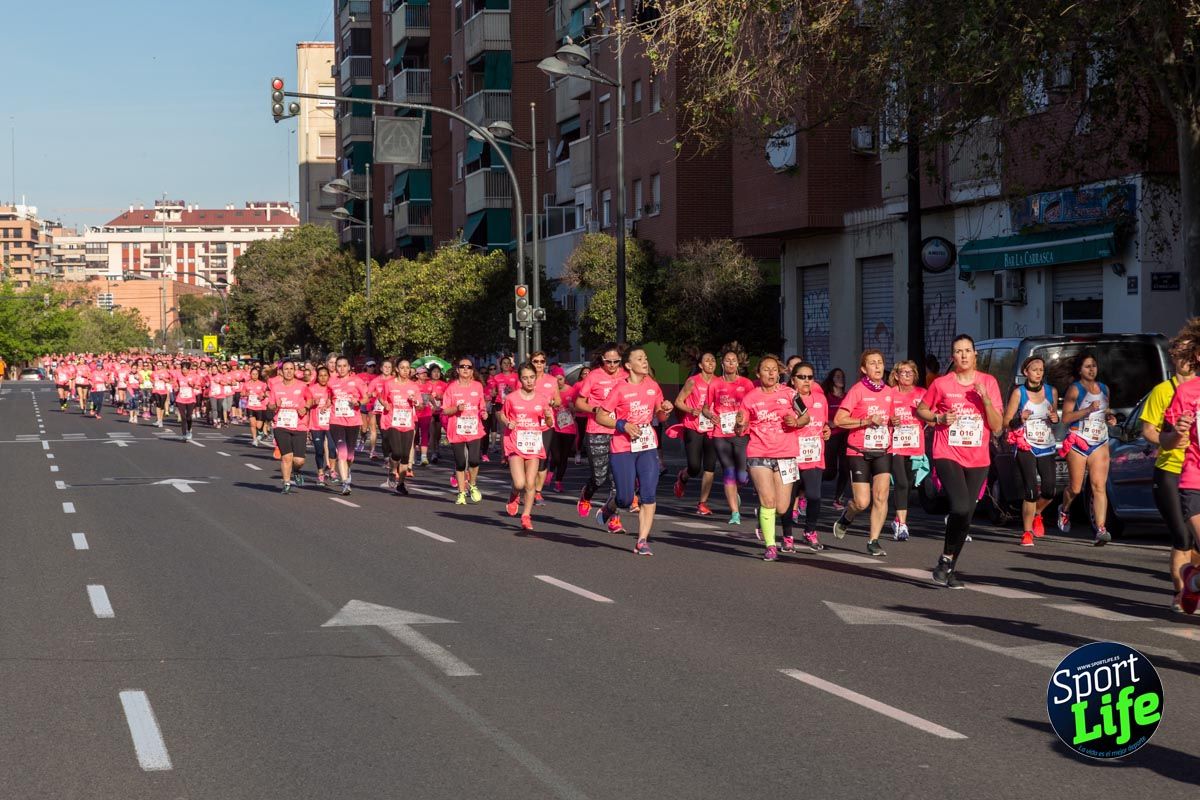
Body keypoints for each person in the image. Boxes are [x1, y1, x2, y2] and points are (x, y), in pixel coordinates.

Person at [916, 334, 1004, 588]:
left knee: (967, 516)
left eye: (967, 350)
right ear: (952, 356)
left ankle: (947, 564)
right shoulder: (942, 384)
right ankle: (946, 560)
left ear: (975, 355)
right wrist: (938, 418)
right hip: (947, 452)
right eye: (958, 351)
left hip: (978, 457)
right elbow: (921, 410)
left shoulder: (988, 382)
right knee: (960, 507)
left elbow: (997, 426)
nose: (963, 355)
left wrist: (985, 398)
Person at [595, 347, 674, 555]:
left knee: (648, 494)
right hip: (622, 447)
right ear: (628, 365)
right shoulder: (620, 389)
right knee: (626, 499)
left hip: (647, 445)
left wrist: (665, 409)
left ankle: (642, 540)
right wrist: (622, 425)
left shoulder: (653, 386)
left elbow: (660, 417)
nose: (645, 362)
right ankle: (611, 506)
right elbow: (601, 416)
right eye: (640, 359)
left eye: (646, 358)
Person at [1142, 327, 1199, 612]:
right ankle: (1180, 594)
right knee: (1183, 537)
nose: (1186, 360)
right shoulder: (1163, 391)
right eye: (1181, 354)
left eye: (1190, 354)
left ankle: (1192, 582)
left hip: (1195, 469)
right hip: (1171, 471)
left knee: (1197, 544)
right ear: (1174, 357)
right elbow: (1149, 430)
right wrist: (1171, 440)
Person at [736, 355, 802, 561]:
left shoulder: (791, 394)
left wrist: (796, 421)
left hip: (786, 453)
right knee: (769, 500)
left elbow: (806, 415)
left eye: (774, 369)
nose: (771, 373)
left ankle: (764, 517)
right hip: (759, 453)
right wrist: (739, 424)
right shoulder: (750, 398)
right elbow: (740, 429)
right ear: (758, 374)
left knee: (783, 507)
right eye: (766, 369)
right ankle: (771, 545)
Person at [831, 350, 895, 557]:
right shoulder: (857, 391)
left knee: (881, 495)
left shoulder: (890, 391)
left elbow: (891, 417)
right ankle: (847, 515)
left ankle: (873, 540)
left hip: (883, 449)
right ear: (863, 369)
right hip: (858, 450)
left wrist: (895, 421)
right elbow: (840, 420)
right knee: (862, 502)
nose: (877, 366)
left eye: (880, 362)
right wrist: (866, 421)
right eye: (872, 363)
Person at [1057, 351, 1119, 545]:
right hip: (1078, 441)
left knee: (1099, 486)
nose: (1092, 369)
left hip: (1099, 441)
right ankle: (1064, 509)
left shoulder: (1104, 389)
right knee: (1075, 488)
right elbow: (1065, 418)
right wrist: (1086, 410)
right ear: (1079, 370)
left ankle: (1101, 529)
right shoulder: (1074, 390)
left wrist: (1110, 418)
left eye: (1094, 365)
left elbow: (1104, 412)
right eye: (1087, 366)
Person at [1002, 356, 1060, 547]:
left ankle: (1037, 513)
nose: (1038, 373)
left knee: (1050, 490)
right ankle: (1027, 532)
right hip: (1025, 444)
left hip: (1046, 444)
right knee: (1030, 490)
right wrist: (1020, 418)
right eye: (1034, 369)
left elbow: (1054, 419)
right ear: (1026, 372)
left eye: (1041, 370)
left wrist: (1054, 418)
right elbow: (1006, 423)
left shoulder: (1051, 391)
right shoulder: (1019, 394)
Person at [574, 344, 629, 532]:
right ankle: (586, 494)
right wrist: (595, 409)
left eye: (616, 361)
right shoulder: (594, 376)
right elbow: (579, 402)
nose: (612, 365)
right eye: (608, 361)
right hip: (597, 429)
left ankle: (614, 518)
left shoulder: (625, 376)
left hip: (620, 432)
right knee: (599, 477)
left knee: (617, 479)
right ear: (602, 360)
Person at [500, 362, 555, 531]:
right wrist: (508, 422)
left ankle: (526, 516)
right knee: (519, 483)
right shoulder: (512, 398)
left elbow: (550, 423)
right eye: (525, 378)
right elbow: (503, 414)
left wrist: (547, 417)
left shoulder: (542, 399)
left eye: (532, 377)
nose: (529, 381)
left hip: (534, 443)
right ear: (520, 379)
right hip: (516, 442)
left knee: (530, 483)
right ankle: (514, 495)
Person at [784, 361, 830, 552]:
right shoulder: (787, 399)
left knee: (814, 496)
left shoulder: (821, 399)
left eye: (810, 377)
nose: (806, 381)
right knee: (788, 499)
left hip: (814, 456)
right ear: (793, 380)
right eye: (802, 377)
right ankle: (787, 536)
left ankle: (810, 531)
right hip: (791, 455)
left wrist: (826, 429)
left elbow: (824, 423)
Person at [706, 350, 755, 526]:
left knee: (741, 475)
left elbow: (753, 406)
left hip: (741, 433)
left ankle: (736, 491)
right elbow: (705, 407)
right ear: (723, 363)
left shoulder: (747, 384)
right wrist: (710, 415)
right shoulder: (715, 384)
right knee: (728, 471)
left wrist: (745, 420)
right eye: (728, 361)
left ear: (738, 364)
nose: (731, 364)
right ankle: (735, 512)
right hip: (720, 433)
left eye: (734, 361)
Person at [673, 352, 719, 515]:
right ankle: (683, 477)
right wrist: (691, 409)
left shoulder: (719, 382)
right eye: (707, 360)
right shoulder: (693, 381)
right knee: (694, 467)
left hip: (712, 429)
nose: (711, 363)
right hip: (693, 426)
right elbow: (678, 402)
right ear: (700, 365)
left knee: (710, 467)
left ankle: (702, 503)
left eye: (713, 360)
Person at [887, 359, 927, 541]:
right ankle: (902, 525)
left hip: (915, 444)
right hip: (895, 444)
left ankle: (897, 519)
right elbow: (882, 414)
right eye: (903, 372)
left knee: (909, 484)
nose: (907, 375)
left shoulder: (922, 393)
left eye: (910, 372)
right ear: (896, 375)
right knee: (901, 482)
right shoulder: (890, 394)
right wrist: (890, 420)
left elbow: (931, 414)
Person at [442, 357, 488, 504]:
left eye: (468, 367)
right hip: (457, 430)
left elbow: (482, 406)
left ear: (472, 370)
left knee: (474, 460)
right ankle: (461, 493)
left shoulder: (477, 386)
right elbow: (445, 411)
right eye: (462, 367)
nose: (465, 369)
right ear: (458, 370)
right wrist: (456, 408)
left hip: (474, 429)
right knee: (461, 463)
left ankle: (472, 484)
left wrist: (484, 413)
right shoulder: (451, 388)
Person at [266, 360, 312, 494]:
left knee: (299, 460)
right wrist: (276, 405)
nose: (289, 371)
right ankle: (286, 483)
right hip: (281, 425)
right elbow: (270, 405)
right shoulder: (276, 387)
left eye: (291, 368)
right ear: (281, 371)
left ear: (295, 370)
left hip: (299, 425)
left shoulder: (302, 386)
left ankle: (297, 471)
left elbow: (310, 399)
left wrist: (306, 407)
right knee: (286, 457)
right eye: (286, 369)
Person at [327, 356, 370, 496]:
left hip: (353, 421)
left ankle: (347, 469)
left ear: (349, 367)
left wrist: (358, 402)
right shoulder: (331, 381)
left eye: (344, 366)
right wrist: (325, 405)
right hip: (336, 421)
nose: (341, 368)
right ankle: (345, 483)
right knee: (342, 453)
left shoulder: (357, 381)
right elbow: (328, 398)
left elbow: (366, 398)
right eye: (338, 366)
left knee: (350, 456)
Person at [379, 359, 423, 496]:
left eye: (407, 368)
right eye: (402, 368)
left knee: (405, 456)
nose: (405, 370)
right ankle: (392, 470)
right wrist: (385, 404)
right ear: (397, 369)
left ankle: (401, 484)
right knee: (396, 452)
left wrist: (416, 402)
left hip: (408, 423)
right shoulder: (389, 384)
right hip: (393, 421)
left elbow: (421, 405)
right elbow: (381, 397)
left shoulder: (414, 386)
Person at [822, 367, 851, 509]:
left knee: (845, 468)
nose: (841, 379)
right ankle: (806, 486)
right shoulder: (826, 397)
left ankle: (838, 499)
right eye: (838, 377)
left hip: (845, 435)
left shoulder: (847, 396)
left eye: (842, 377)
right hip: (831, 436)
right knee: (830, 472)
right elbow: (820, 414)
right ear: (832, 379)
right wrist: (828, 422)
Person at [547, 369, 580, 492]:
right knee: (556, 456)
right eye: (555, 380)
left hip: (568, 428)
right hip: (554, 427)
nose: (558, 382)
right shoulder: (550, 392)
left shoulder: (572, 391)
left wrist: (573, 408)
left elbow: (578, 407)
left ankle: (558, 481)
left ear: (564, 379)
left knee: (564, 457)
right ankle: (550, 471)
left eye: (560, 379)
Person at [308, 365, 334, 486]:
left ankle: (332, 470)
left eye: (325, 375)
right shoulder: (311, 389)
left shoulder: (332, 388)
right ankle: (320, 474)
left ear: (329, 376)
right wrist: (313, 402)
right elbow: (305, 404)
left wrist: (330, 403)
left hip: (330, 424)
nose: (323, 378)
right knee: (319, 451)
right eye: (321, 375)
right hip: (316, 424)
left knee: (332, 448)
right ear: (317, 377)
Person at [173, 361, 202, 440]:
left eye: (186, 370)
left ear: (189, 370)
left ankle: (189, 431)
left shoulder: (194, 376)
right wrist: (176, 387)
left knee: (189, 417)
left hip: (190, 399)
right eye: (182, 369)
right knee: (183, 417)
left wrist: (191, 385)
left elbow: (198, 387)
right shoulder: (178, 376)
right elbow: (175, 384)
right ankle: (184, 434)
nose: (184, 371)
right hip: (180, 399)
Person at [244, 366, 270, 446]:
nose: (254, 376)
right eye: (253, 374)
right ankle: (254, 439)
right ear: (250, 374)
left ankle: (261, 432)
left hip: (260, 407)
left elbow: (267, 393)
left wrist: (263, 396)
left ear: (258, 375)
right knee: (252, 424)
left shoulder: (262, 384)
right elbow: (242, 393)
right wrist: (246, 394)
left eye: (256, 374)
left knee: (258, 425)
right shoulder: (247, 384)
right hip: (250, 406)